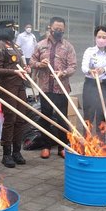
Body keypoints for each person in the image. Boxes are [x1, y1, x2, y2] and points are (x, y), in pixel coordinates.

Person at [30, 16, 77, 159]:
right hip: (45, 88)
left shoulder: (68, 46)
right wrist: (40, 64)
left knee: (62, 119)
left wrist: (62, 73)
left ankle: (63, 146)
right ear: (50, 28)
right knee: (46, 118)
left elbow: (73, 66)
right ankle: (46, 146)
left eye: (61, 30)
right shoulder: (41, 45)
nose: (58, 31)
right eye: (56, 29)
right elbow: (32, 61)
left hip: (61, 88)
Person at [0, 20, 30, 168]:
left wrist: (26, 68)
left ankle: (17, 151)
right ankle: (6, 154)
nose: (14, 31)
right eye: (11, 29)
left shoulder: (16, 46)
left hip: (20, 86)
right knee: (10, 119)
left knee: (21, 118)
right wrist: (15, 71)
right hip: (8, 87)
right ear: (4, 30)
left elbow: (20, 63)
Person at [82, 25, 106, 139]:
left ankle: (101, 142)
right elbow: (83, 67)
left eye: (104, 37)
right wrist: (89, 71)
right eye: (99, 36)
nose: (101, 39)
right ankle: (87, 141)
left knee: (103, 114)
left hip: (105, 85)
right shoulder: (89, 51)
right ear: (95, 37)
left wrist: (103, 69)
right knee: (88, 114)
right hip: (90, 84)